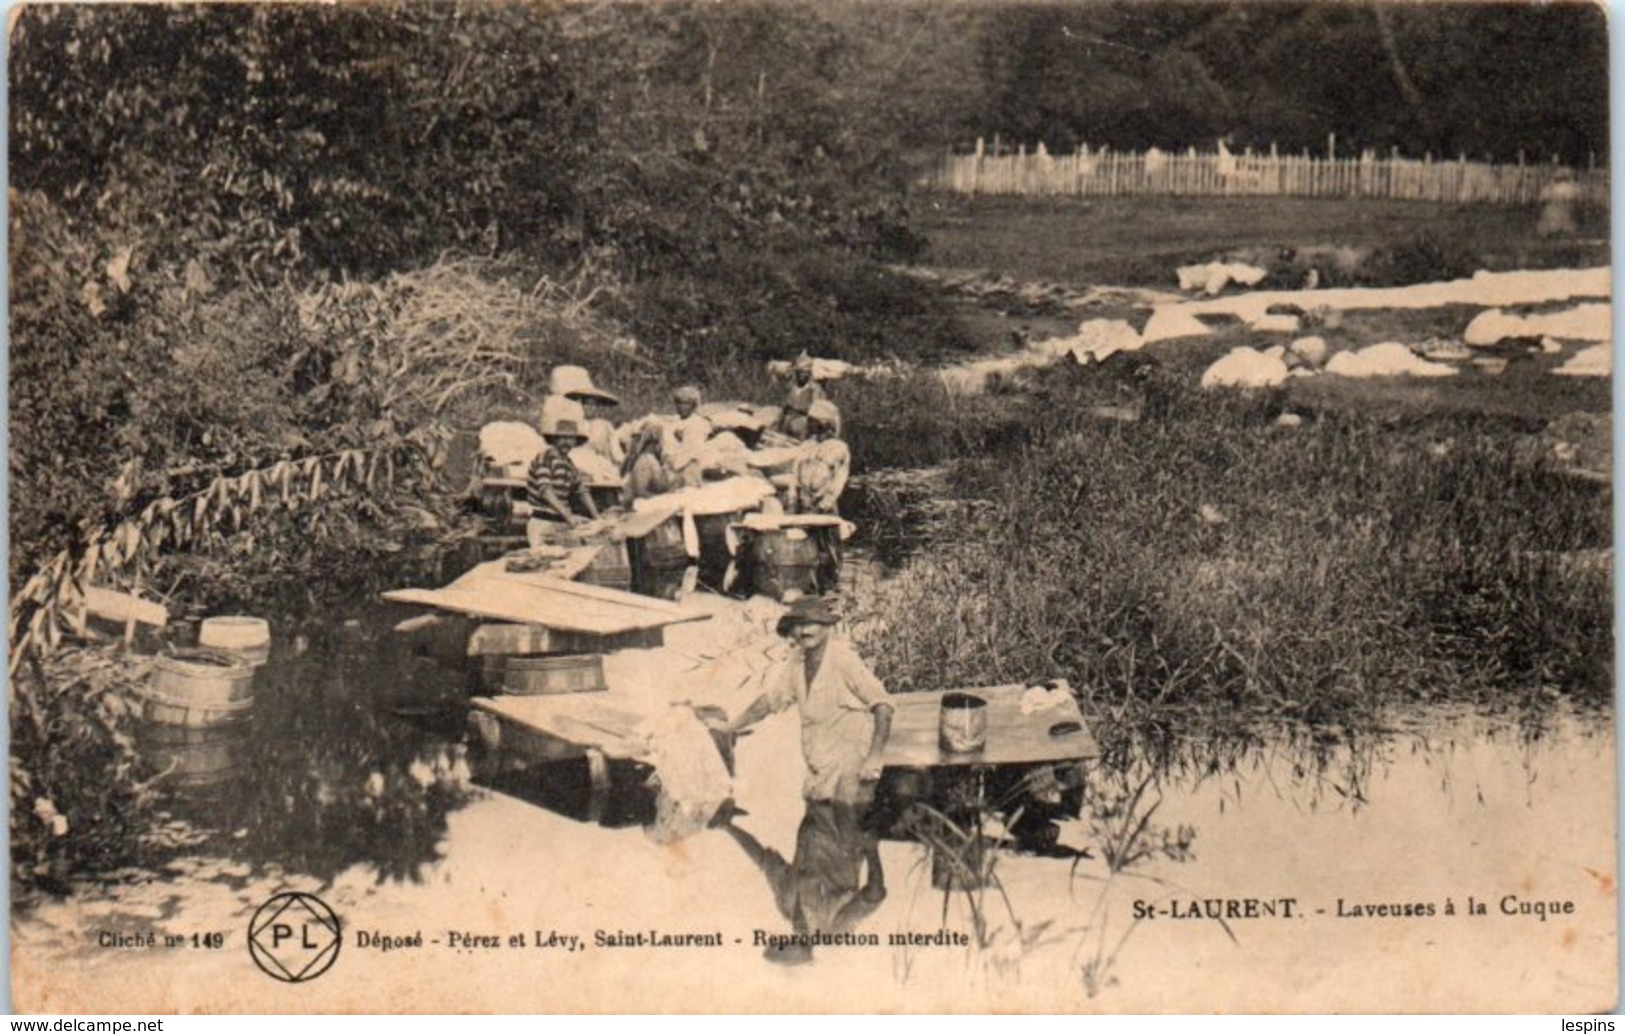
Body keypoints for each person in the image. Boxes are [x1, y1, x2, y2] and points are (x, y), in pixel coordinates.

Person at [716, 596, 892, 807]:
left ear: (826, 627)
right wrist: (731, 726)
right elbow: (769, 701)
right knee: (811, 835)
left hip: (850, 767)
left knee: (846, 824)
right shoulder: (797, 661)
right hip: (818, 768)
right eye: (798, 625)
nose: (804, 631)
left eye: (811, 623)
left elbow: (883, 705)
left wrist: (874, 757)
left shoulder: (843, 660)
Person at [526, 416, 599, 544]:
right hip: (542, 521)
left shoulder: (569, 464)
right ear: (554, 439)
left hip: (559, 521)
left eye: (570, 438)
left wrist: (597, 518)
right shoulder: (545, 457)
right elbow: (546, 491)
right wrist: (568, 516)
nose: (566, 442)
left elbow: (582, 491)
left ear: (575, 442)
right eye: (562, 438)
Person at [541, 365, 625, 468]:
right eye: (586, 400)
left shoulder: (552, 405)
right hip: (576, 456)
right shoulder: (560, 407)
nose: (591, 406)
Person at [790, 400, 850, 515]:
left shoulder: (839, 448)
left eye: (812, 421)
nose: (808, 424)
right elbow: (794, 476)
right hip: (802, 507)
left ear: (824, 424)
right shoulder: (807, 446)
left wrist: (823, 506)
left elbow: (838, 481)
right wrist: (792, 501)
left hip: (824, 510)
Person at [662, 385, 713, 488]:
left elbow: (691, 448)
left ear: (693, 406)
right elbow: (666, 445)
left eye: (686, 404)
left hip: (687, 463)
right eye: (679, 403)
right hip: (670, 463)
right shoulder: (672, 422)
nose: (682, 407)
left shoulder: (698, 423)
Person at [779, 352, 828, 440]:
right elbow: (784, 407)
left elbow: (818, 410)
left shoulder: (814, 389)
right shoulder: (791, 386)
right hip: (788, 421)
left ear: (809, 373)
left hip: (803, 424)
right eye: (799, 372)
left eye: (805, 372)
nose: (802, 375)